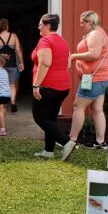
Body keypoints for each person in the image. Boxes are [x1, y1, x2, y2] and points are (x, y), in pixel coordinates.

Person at [31, 14, 76, 160]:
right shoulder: (63, 41)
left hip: (48, 86)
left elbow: (45, 63)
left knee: (40, 118)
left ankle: (66, 142)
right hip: (63, 86)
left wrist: (36, 84)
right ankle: (48, 151)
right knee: (50, 118)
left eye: (40, 25)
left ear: (48, 26)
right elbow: (68, 64)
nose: (38, 27)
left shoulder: (45, 41)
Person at [67, 11, 108, 150]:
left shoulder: (95, 34)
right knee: (97, 109)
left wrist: (73, 56)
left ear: (90, 22)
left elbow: (94, 54)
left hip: (95, 78)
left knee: (78, 106)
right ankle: (100, 142)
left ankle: (72, 141)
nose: (80, 25)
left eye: (83, 22)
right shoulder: (96, 33)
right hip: (95, 77)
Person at [0, 18, 24, 113]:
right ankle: (13, 102)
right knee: (12, 84)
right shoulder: (13, 36)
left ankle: (1, 104)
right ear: (7, 26)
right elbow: (18, 50)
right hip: (12, 64)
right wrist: (21, 62)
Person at [0, 54, 11, 136]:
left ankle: (2, 129)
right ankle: (0, 126)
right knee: (3, 110)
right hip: (7, 94)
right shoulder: (5, 71)